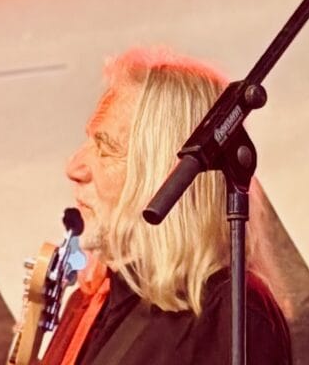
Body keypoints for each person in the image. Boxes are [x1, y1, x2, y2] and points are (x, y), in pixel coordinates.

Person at [41, 47, 292, 365]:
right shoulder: (90, 301)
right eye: (90, 141)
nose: (74, 167)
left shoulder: (231, 317)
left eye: (106, 148)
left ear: (164, 171)